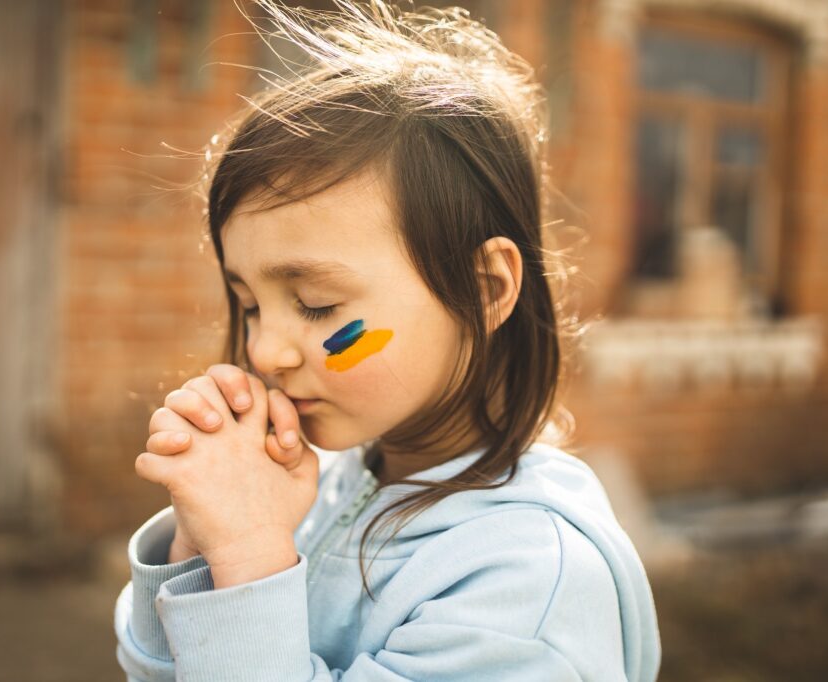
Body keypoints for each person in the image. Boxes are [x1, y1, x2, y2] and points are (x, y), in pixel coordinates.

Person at [114, 1, 662, 679]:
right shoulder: (328, 485)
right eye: (249, 304)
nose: (263, 351)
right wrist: (201, 547)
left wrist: (253, 553)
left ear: (486, 288)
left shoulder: (531, 582)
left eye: (316, 305)